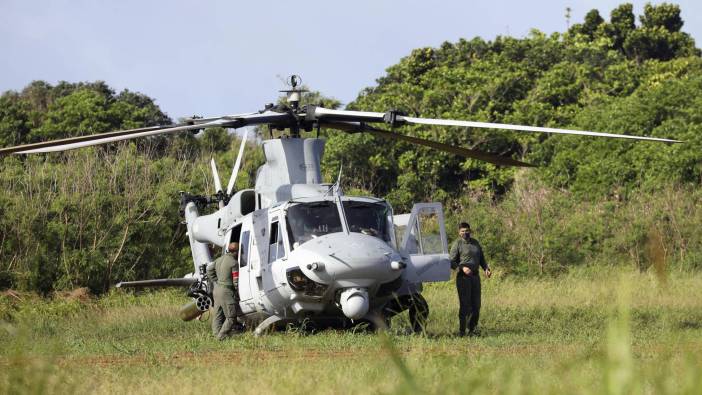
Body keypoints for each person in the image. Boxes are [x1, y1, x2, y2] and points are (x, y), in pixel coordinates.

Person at [449, 222, 491, 337]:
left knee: (476, 305)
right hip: (463, 278)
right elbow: (451, 261)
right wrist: (461, 268)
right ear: (459, 232)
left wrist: (486, 268)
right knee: (465, 305)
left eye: (467, 230)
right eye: (462, 231)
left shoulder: (475, 243)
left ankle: (472, 329)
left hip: (475, 277)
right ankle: (462, 331)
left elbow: (481, 258)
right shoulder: (457, 244)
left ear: (470, 231)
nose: (465, 233)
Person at [207, 242, 241, 340]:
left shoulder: (219, 259)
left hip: (216, 290)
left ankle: (215, 335)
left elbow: (209, 270)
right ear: (236, 252)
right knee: (231, 317)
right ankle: (221, 336)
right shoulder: (234, 263)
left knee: (218, 315)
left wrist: (216, 281)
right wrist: (237, 293)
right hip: (226, 291)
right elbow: (236, 281)